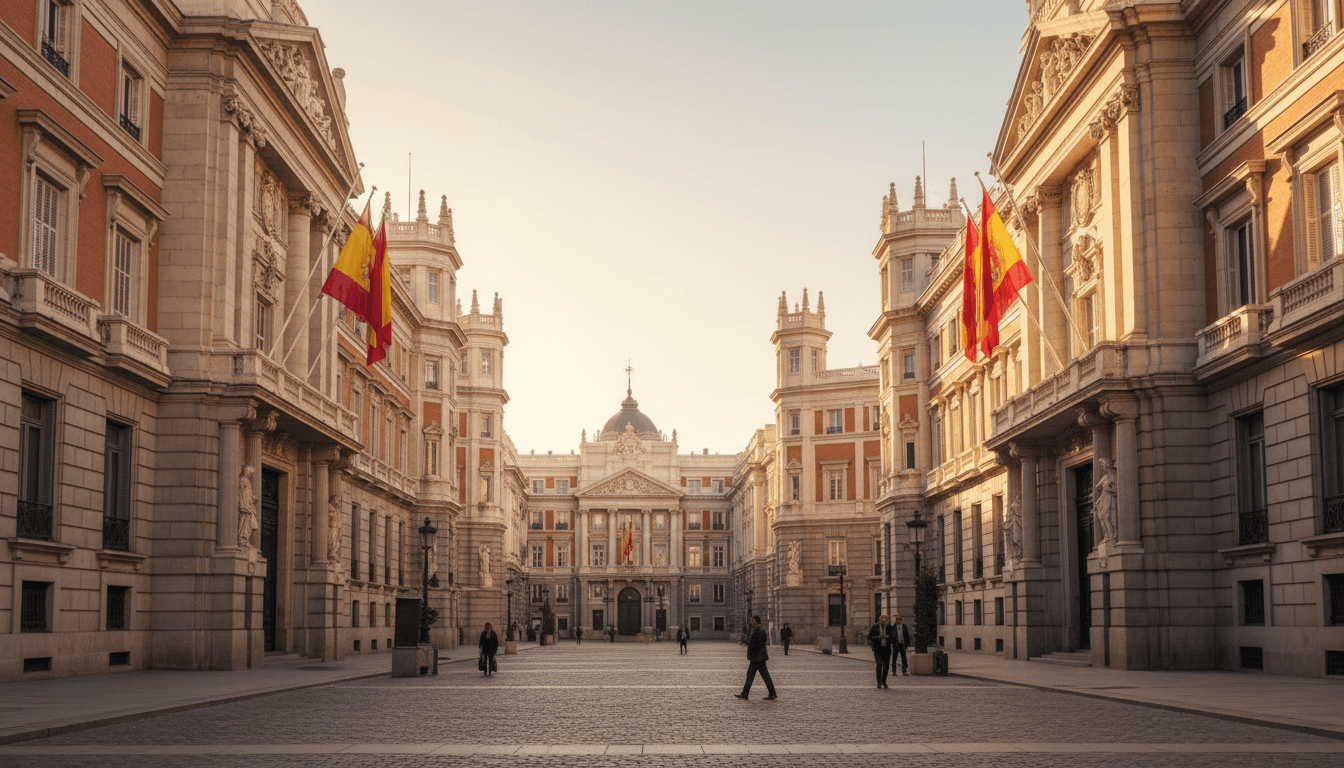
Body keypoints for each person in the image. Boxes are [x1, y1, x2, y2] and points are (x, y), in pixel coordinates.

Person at [734, 615, 777, 701]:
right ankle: (771, 693)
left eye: (752, 620)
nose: (751, 622)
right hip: (758, 657)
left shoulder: (759, 630)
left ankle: (745, 694)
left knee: (753, 675)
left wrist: (747, 643)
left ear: (757, 621)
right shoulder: (758, 630)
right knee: (758, 676)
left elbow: (757, 643)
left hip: (757, 658)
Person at [867, 614, 894, 688]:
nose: (885, 622)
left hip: (886, 649)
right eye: (883, 621)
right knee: (879, 664)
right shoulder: (875, 627)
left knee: (886, 665)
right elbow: (869, 637)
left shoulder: (890, 627)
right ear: (880, 620)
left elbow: (894, 638)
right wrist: (878, 637)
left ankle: (884, 681)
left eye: (886, 621)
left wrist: (887, 637)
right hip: (878, 649)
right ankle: (879, 682)